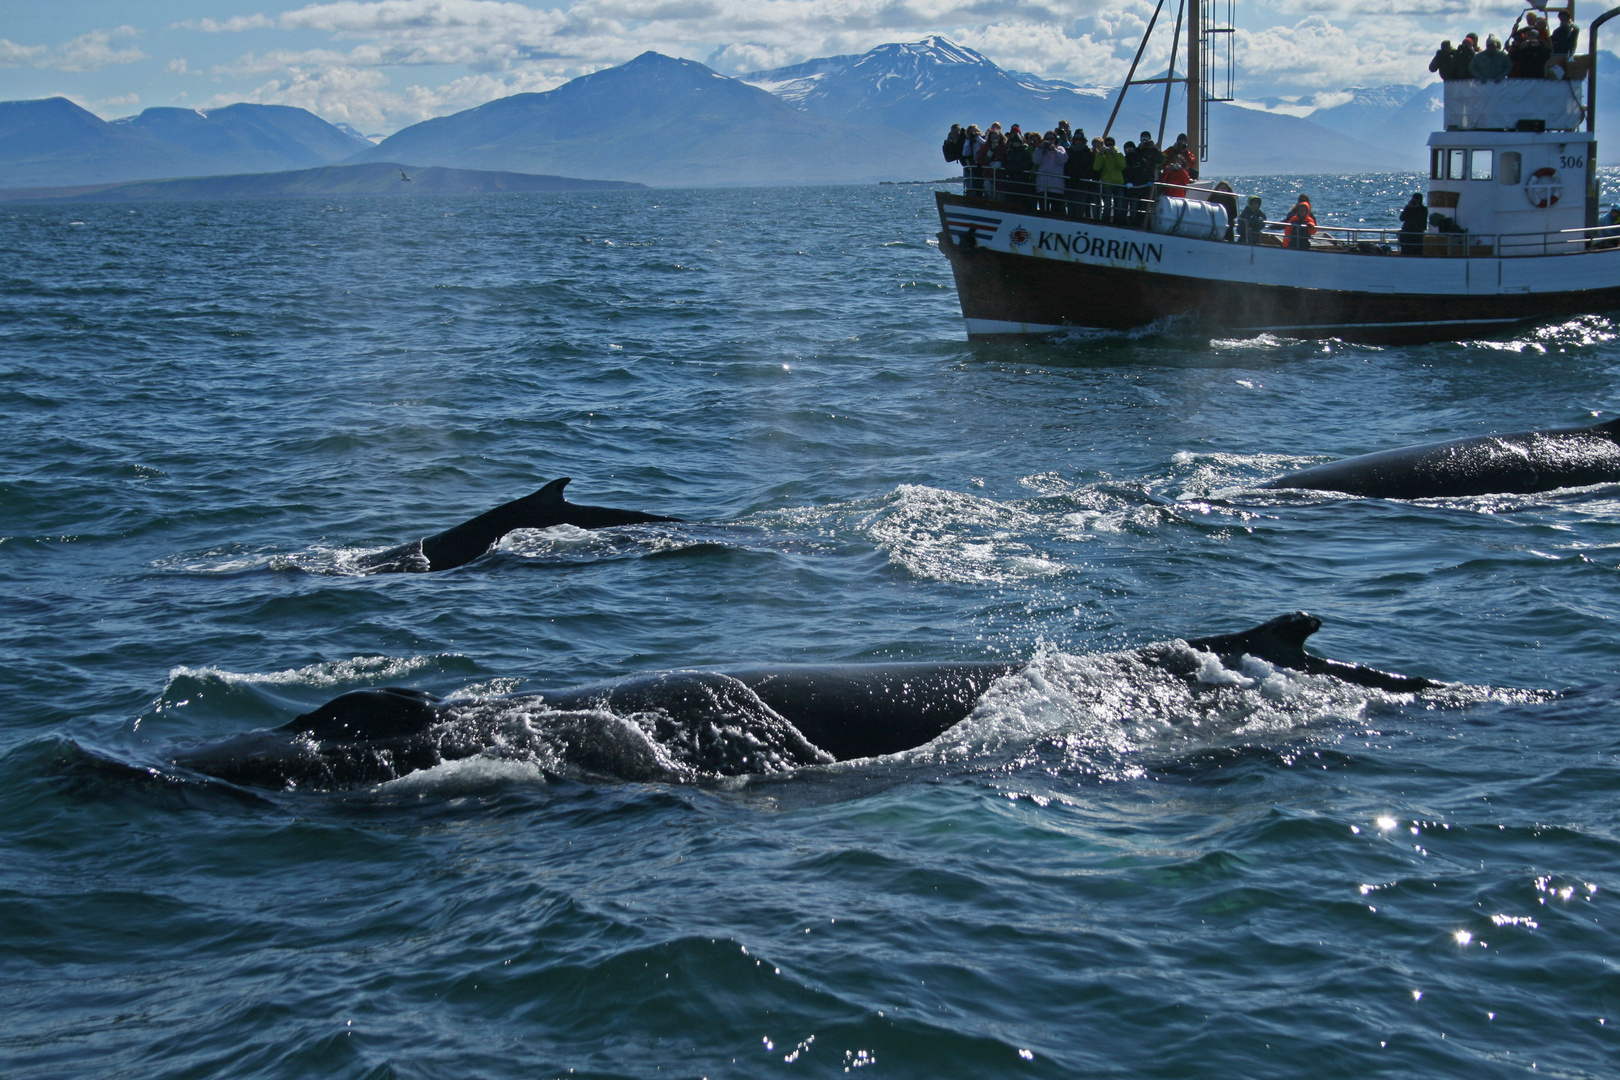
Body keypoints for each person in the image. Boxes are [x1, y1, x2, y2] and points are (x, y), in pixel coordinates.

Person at [1095, 136, 1127, 223]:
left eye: (1111, 144)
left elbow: (1122, 166)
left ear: (1114, 145)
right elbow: (1096, 167)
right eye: (1107, 144)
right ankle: (1105, 222)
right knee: (1107, 205)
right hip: (1107, 183)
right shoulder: (1103, 155)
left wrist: (1115, 154)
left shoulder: (1119, 154)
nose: (1109, 146)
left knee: (1118, 205)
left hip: (1118, 183)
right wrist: (1100, 154)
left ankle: (1117, 223)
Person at [1065, 130, 1096, 218]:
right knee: (1070, 207)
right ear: (1073, 140)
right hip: (1070, 183)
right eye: (1076, 139)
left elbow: (1090, 168)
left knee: (1080, 207)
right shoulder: (1068, 151)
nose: (1078, 141)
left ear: (1083, 140)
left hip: (1082, 183)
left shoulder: (1088, 152)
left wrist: (1081, 175)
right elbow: (1066, 166)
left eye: (1080, 139)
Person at [1033, 132, 1067, 212]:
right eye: (1047, 139)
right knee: (1043, 210)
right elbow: (1035, 161)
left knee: (1056, 211)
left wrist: (1054, 149)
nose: (1049, 141)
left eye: (1052, 139)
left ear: (1055, 140)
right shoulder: (1040, 150)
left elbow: (1061, 161)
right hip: (1042, 185)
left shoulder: (1060, 149)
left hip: (1056, 187)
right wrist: (1040, 148)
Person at [1001, 131, 1035, 207]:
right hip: (1010, 179)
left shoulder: (1024, 153)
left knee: (1021, 199)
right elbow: (1004, 163)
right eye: (1014, 142)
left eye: (1017, 142)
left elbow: (1028, 164)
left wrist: (1017, 168)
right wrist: (1012, 169)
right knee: (1010, 199)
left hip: (1022, 180)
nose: (1016, 144)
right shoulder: (1007, 153)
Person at [960, 124, 986, 194]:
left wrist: (978, 137)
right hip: (973, 164)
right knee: (973, 183)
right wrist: (968, 140)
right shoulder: (968, 141)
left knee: (982, 182)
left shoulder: (983, 138)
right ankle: (972, 194)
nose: (973, 134)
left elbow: (985, 144)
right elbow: (965, 153)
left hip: (982, 163)